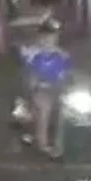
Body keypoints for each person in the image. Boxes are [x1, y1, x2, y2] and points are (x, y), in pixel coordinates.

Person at [21, 15, 73, 154]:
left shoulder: (63, 55)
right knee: (44, 106)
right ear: (40, 37)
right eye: (46, 36)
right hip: (38, 91)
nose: (49, 39)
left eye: (52, 36)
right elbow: (29, 76)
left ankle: (64, 143)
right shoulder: (32, 54)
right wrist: (36, 86)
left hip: (58, 90)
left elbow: (69, 75)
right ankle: (43, 145)